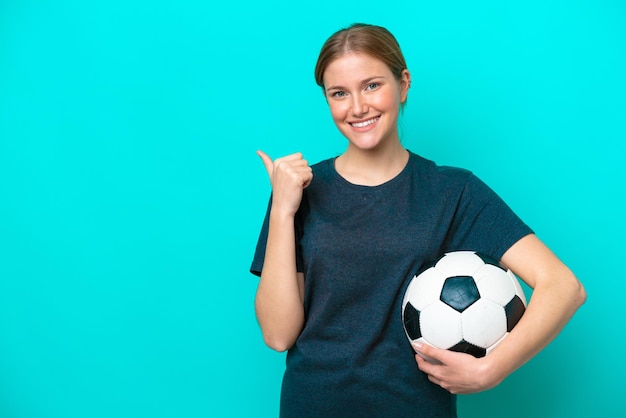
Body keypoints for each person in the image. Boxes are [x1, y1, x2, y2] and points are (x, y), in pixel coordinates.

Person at [250, 23, 586, 417]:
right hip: (313, 405)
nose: (357, 107)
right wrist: (282, 210)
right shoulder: (299, 190)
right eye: (339, 93)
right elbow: (277, 334)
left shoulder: (451, 191)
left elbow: (563, 286)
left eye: (372, 85)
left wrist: (491, 369)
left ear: (403, 83)